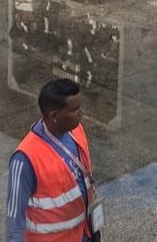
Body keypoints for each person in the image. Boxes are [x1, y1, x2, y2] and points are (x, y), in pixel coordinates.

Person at [6, 79, 103, 242]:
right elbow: (14, 222)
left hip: (83, 233)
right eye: (74, 109)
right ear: (54, 115)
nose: (81, 113)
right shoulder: (24, 159)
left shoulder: (76, 130)